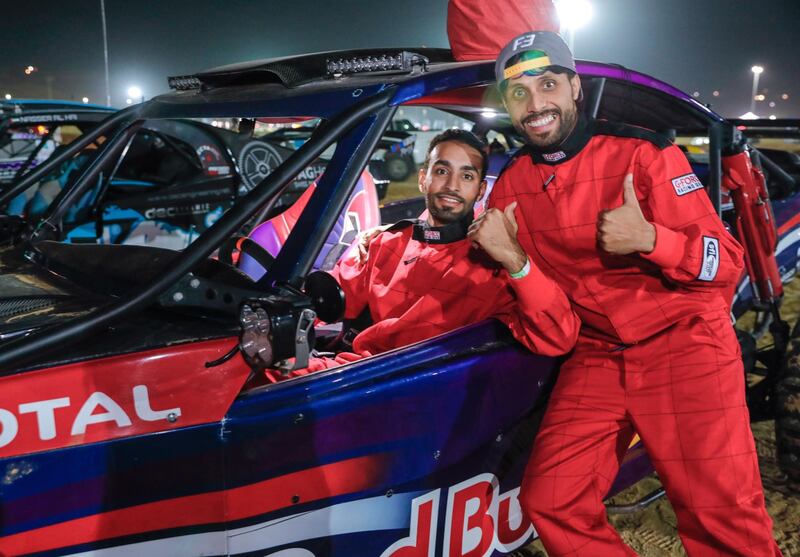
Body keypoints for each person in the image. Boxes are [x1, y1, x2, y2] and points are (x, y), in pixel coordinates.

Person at [467, 31, 782, 556]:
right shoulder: (511, 185)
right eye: (518, 93)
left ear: (573, 89)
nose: (535, 104)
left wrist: (652, 239)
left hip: (684, 345)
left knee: (719, 517)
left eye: (547, 85)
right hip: (596, 355)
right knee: (550, 500)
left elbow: (727, 263)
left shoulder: (645, 154)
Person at [265, 129, 579, 381]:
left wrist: (515, 260)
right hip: (352, 375)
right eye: (442, 171)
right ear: (422, 178)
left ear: (481, 191)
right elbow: (323, 302)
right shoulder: (383, 242)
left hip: (415, 391)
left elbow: (558, 337)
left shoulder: (495, 265)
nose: (453, 185)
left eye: (467, 177)